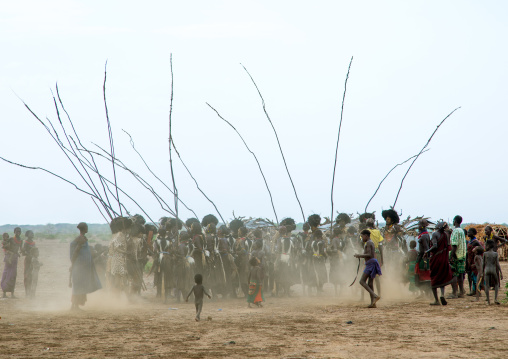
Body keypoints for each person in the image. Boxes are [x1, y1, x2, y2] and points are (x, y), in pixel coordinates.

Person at [69, 222, 102, 310]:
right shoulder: (80, 240)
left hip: (82, 268)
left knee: (80, 287)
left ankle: (75, 306)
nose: (87, 229)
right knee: (78, 287)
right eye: (86, 227)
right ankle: (74, 306)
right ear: (83, 229)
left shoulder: (82, 238)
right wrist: (73, 264)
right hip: (79, 268)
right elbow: (75, 253)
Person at [424, 222, 455, 306]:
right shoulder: (446, 235)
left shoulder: (435, 234)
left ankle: (436, 300)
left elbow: (434, 246)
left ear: (438, 226)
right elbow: (448, 247)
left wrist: (427, 251)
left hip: (436, 259)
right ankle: (442, 295)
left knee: (434, 278)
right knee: (442, 278)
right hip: (444, 259)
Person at [354, 229, 382, 308]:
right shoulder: (370, 242)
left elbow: (369, 254)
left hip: (370, 264)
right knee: (370, 283)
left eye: (362, 236)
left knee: (362, 281)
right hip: (372, 263)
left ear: (366, 236)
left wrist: (359, 255)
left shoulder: (368, 243)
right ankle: (373, 303)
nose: (362, 238)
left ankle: (375, 296)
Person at [1, 227, 23, 298]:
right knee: (6, 274)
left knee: (13, 275)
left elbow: (21, 249)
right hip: (9, 259)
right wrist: (9, 254)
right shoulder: (11, 239)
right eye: (17, 231)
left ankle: (12, 294)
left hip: (15, 259)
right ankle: (4, 293)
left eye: (19, 231)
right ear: (14, 232)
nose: (18, 232)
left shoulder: (21, 240)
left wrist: (21, 252)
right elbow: (4, 247)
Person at [449, 216, 466, 298]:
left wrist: (451, 256)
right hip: (462, 255)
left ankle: (454, 293)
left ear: (455, 221)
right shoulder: (461, 231)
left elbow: (454, 245)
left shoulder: (455, 231)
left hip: (456, 255)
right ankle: (461, 291)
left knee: (454, 274)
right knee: (460, 275)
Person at [366, 218, 384, 295]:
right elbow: (380, 246)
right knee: (376, 275)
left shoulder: (365, 232)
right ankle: (379, 294)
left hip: (368, 254)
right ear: (373, 224)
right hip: (377, 253)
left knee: (365, 275)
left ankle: (364, 296)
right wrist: (382, 258)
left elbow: (361, 243)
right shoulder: (377, 232)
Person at [483, 239, 503, 305]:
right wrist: (501, 272)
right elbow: (497, 264)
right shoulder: (495, 254)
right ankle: (495, 299)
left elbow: (483, 264)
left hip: (486, 270)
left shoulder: (485, 254)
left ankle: (488, 301)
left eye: (486, 245)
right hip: (493, 270)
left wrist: (481, 272)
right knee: (496, 284)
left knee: (487, 285)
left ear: (488, 246)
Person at [415, 219, 431, 295]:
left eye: (419, 225)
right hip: (422, 257)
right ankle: (425, 294)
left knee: (424, 277)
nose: (418, 226)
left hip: (423, 258)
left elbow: (426, 249)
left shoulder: (424, 235)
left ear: (422, 226)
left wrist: (425, 261)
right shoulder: (424, 234)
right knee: (421, 277)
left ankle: (428, 294)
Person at [466, 228, 482, 296]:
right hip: (470, 260)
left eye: (469, 232)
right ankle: (473, 290)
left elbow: (481, 248)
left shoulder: (475, 241)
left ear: (473, 233)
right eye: (468, 232)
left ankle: (478, 291)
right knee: (472, 276)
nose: (468, 233)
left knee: (476, 276)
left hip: (474, 261)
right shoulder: (470, 241)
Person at [21, 230, 36, 297]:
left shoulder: (33, 242)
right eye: (31, 233)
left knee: (33, 276)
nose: (32, 234)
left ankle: (31, 292)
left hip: (33, 260)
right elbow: (23, 253)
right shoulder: (26, 243)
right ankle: (27, 292)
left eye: (32, 233)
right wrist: (29, 254)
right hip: (28, 260)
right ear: (27, 235)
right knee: (27, 276)